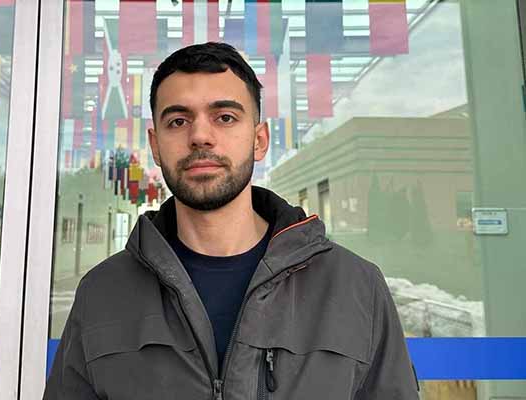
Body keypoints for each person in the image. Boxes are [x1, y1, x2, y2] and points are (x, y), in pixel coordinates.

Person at [44, 42, 419, 400]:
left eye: (225, 117)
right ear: (155, 145)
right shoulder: (102, 293)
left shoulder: (356, 288)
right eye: (178, 120)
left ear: (259, 140)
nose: (200, 136)